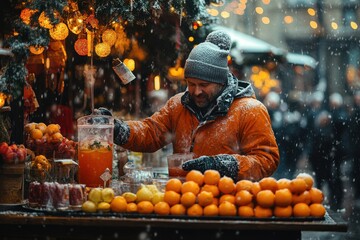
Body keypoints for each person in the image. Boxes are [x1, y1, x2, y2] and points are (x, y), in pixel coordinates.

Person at [96, 30, 279, 181]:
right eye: (191, 84)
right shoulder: (178, 105)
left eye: (204, 85)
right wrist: (119, 129)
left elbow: (266, 160)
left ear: (220, 81)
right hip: (183, 201)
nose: (196, 91)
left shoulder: (250, 110)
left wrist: (224, 166)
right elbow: (151, 132)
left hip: (228, 206)